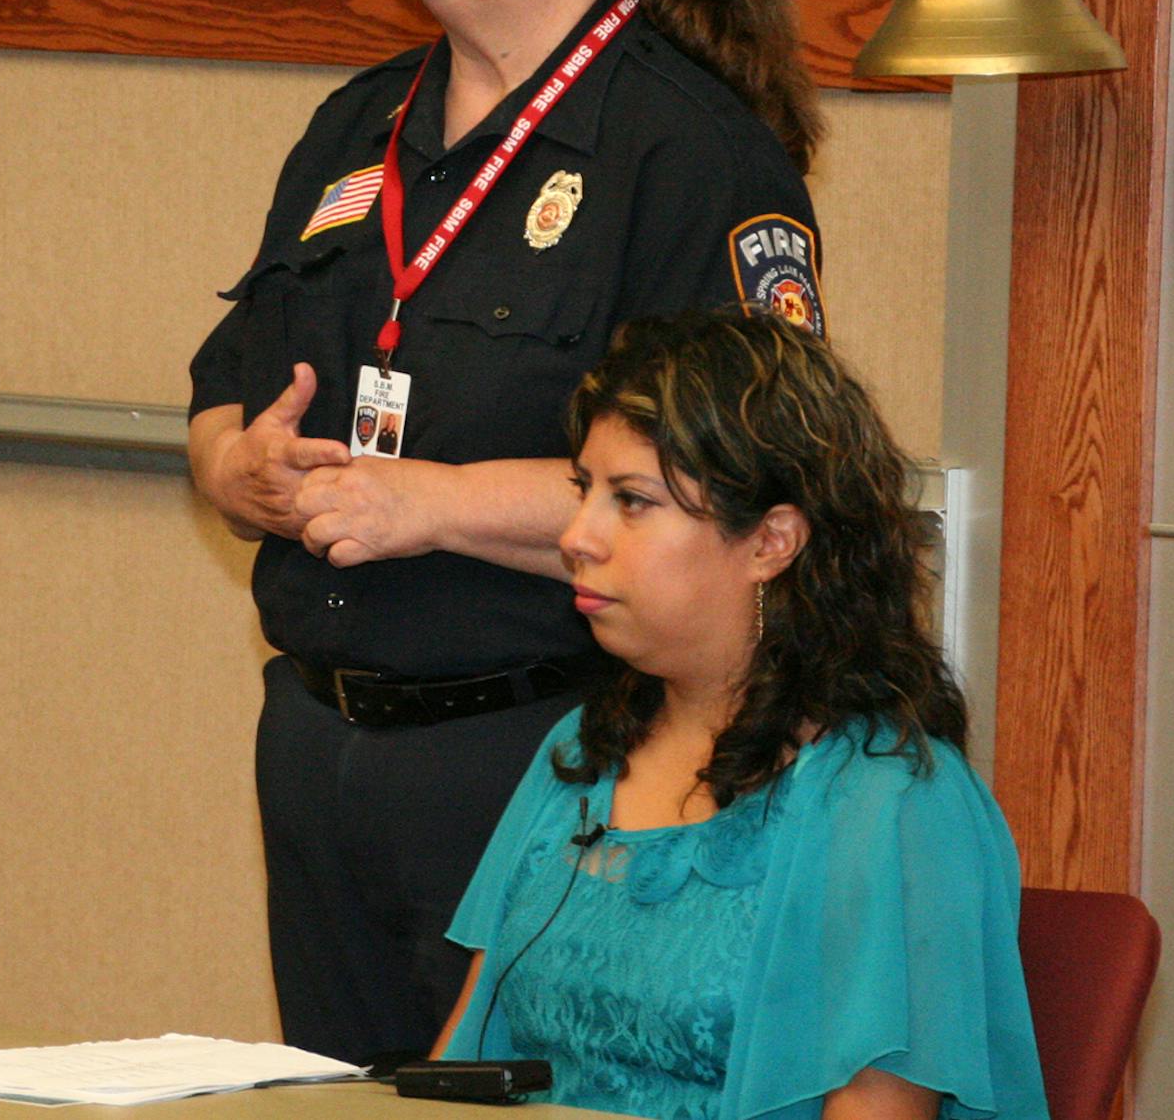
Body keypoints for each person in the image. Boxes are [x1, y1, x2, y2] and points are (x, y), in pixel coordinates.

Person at [185, 0, 828, 1064]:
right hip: (318, 743)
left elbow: (728, 496)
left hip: (544, 753)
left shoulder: (690, 156)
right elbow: (223, 396)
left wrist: (436, 503)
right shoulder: (359, 128)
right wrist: (238, 465)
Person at [435, 309, 1049, 1120]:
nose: (577, 536)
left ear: (771, 542)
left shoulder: (890, 802)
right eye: (584, 492)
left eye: (633, 502)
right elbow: (458, 1068)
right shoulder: (580, 750)